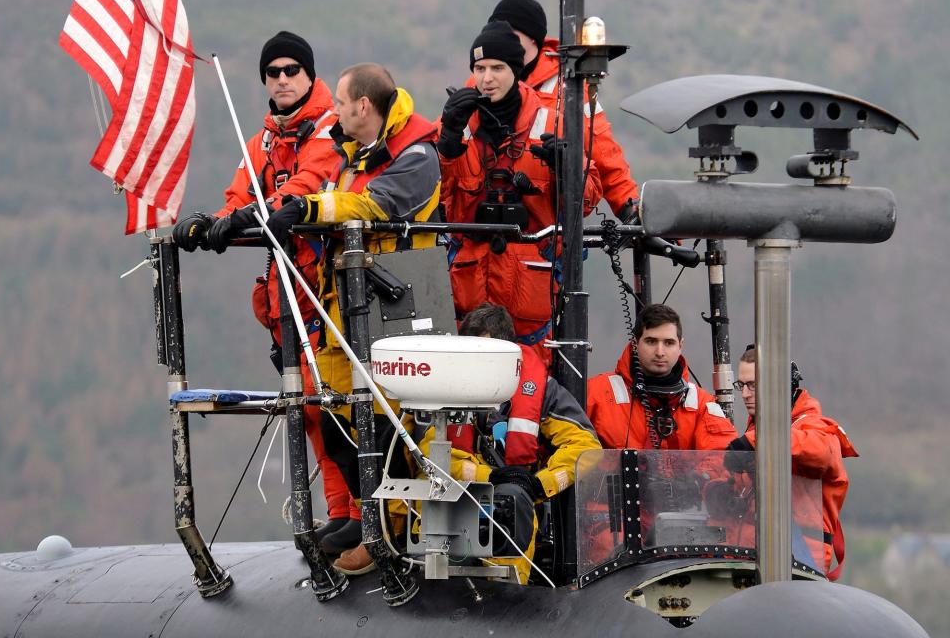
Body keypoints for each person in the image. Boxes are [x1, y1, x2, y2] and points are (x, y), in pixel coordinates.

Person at [170, 31, 357, 548]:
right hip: (284, 299)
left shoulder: (330, 129)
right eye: (272, 73)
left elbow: (307, 185)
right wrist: (215, 223)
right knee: (311, 412)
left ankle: (362, 516)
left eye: (291, 70)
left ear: (310, 75)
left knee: (337, 408)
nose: (281, 79)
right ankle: (341, 512)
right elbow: (238, 194)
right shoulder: (263, 142)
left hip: (326, 291)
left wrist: (252, 213)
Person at [266, 62, 441, 574]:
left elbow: (373, 206)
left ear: (364, 106)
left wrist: (310, 211)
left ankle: (391, 527)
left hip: (396, 308)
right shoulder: (355, 154)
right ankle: (368, 516)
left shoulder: (416, 156)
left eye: (340, 104)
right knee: (339, 412)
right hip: (347, 305)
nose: (334, 112)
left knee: (385, 423)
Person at [438, 20, 602, 350]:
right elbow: (441, 202)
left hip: (533, 299)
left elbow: (586, 199)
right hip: (469, 293)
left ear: (516, 68)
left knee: (534, 393)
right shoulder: (459, 117)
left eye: (497, 67)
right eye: (479, 67)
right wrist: (449, 144)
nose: (486, 78)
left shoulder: (553, 116)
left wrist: (565, 168)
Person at [424, 302, 601, 584]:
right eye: (468, 352)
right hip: (458, 505)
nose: (475, 361)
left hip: (519, 508)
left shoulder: (544, 391)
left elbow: (586, 449)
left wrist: (538, 484)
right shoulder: (447, 389)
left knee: (513, 499)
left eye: (483, 352)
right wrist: (489, 476)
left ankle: (510, 589)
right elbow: (430, 456)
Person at [487, 0, 639, 219]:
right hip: (488, 222)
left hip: (544, 224)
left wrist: (630, 208)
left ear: (533, 40)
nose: (503, 40)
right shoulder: (483, 81)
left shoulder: (570, 86)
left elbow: (603, 150)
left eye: (512, 34)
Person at [727, 346, 858, 580]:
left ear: (778, 385)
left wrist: (757, 441)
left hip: (798, 563)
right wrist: (713, 492)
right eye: (741, 385)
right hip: (751, 559)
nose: (745, 394)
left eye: (753, 385)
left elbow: (822, 451)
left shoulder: (814, 427)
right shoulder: (752, 435)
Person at [586, 304, 737, 450]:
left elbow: (723, 463)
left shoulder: (702, 404)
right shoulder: (594, 394)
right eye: (651, 342)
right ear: (635, 343)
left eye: (669, 343)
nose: (660, 352)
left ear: (680, 346)